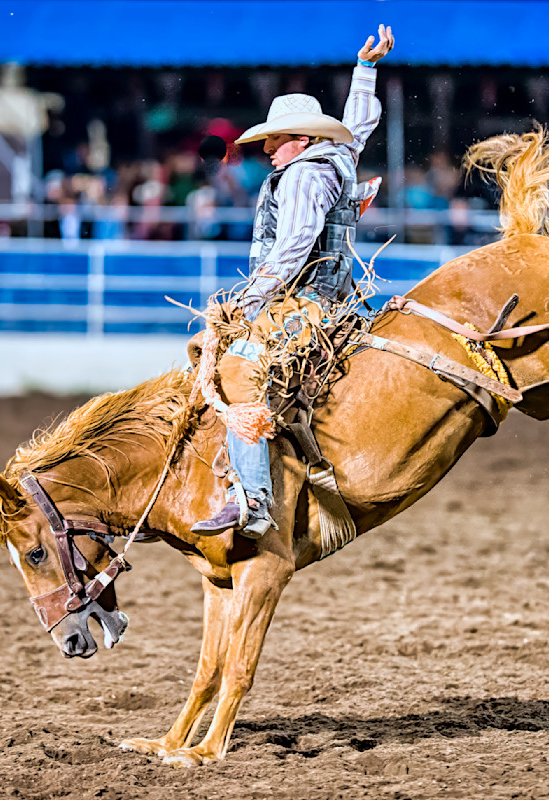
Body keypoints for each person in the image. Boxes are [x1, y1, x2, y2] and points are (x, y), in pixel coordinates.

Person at [191, 24, 394, 537]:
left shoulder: (304, 173)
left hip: (306, 301)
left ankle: (254, 500)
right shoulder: (337, 158)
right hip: (336, 296)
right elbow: (359, 125)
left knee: (240, 372)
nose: (268, 151)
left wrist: (248, 299)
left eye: (275, 141)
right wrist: (365, 70)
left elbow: (293, 246)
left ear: (300, 140)